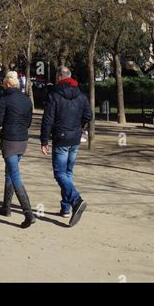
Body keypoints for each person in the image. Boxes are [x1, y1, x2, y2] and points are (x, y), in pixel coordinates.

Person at [40, 66, 92, 226]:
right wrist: (79, 127)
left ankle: (76, 200)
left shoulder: (54, 95)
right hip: (75, 138)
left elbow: (48, 119)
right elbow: (88, 115)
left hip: (61, 137)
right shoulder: (81, 95)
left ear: (59, 77)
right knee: (68, 173)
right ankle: (66, 208)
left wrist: (44, 140)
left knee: (59, 173)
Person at [0, 70, 35, 229]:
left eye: (4, 84)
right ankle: (6, 207)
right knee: (9, 172)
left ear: (8, 84)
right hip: (23, 140)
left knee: (15, 175)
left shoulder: (5, 99)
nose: (3, 86)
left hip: (10, 141)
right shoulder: (26, 99)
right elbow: (29, 122)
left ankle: (28, 214)